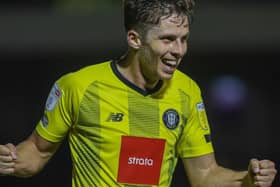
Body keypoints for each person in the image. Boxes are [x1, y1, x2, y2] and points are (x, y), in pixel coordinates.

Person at [0, 0, 277, 186]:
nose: (179, 51)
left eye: (184, 39)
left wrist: (246, 180)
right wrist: (10, 159)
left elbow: (204, 174)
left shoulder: (187, 92)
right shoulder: (79, 87)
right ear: (134, 39)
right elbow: (36, 152)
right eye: (167, 39)